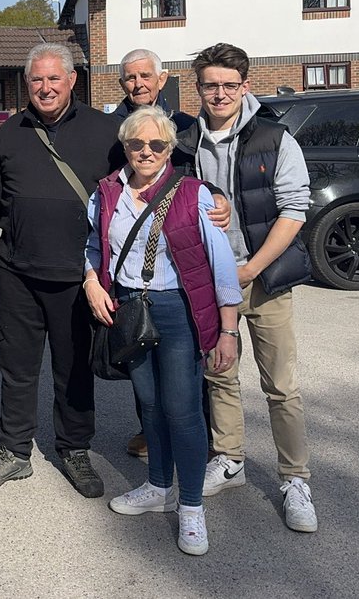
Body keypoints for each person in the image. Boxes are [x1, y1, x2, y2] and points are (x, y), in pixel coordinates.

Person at [0, 43, 121, 497]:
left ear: (72, 80)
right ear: (27, 83)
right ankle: (15, 452)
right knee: (17, 369)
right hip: (18, 273)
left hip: (78, 276)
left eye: (54, 79)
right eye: (37, 80)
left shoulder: (105, 131)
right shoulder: (10, 132)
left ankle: (74, 449)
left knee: (73, 370)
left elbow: (138, 184)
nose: (46, 88)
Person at [83, 106, 242, 556]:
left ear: (170, 149)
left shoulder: (195, 194)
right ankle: (158, 486)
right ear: (125, 147)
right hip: (129, 308)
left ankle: (190, 505)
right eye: (137, 144)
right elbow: (93, 245)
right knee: (149, 405)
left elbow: (222, 264)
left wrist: (228, 330)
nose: (146, 152)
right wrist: (91, 281)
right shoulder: (106, 193)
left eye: (157, 144)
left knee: (183, 410)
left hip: (177, 310)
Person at [174, 42, 319, 534]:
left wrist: (251, 268)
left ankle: (295, 479)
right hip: (210, 282)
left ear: (245, 86)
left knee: (281, 385)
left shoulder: (275, 138)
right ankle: (230, 458)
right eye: (210, 85)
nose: (220, 94)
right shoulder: (184, 142)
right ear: (198, 88)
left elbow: (294, 211)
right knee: (220, 375)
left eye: (229, 85)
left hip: (264, 278)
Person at [115, 48, 198, 459]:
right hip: (136, 259)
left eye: (145, 76)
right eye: (130, 77)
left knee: (186, 370)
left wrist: (217, 198)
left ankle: (198, 438)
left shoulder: (186, 126)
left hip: (179, 249)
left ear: (161, 79)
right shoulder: (113, 128)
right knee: (140, 346)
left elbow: (201, 178)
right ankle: (149, 431)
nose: (138, 84)